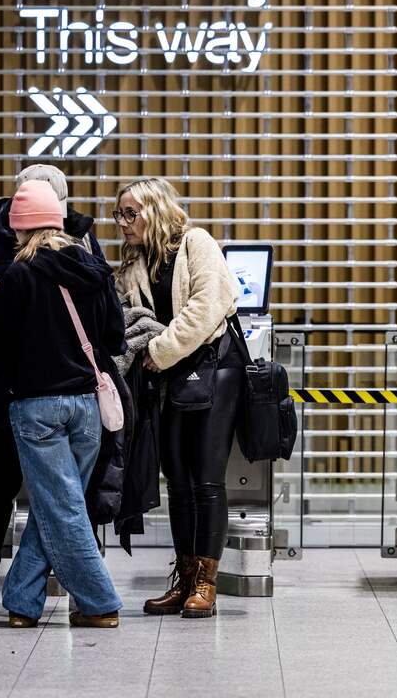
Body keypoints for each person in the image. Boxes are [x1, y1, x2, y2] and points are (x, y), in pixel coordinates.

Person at [0, 163, 104, 615]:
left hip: (43, 390)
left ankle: (62, 585)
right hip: (19, 390)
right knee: (9, 485)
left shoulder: (82, 245)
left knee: (64, 496)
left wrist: (1, 294)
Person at [0, 180, 125, 628]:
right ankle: (22, 602)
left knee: (61, 508)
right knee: (60, 506)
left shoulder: (18, 275)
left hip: (37, 408)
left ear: (19, 228)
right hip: (87, 407)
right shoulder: (95, 270)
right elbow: (115, 338)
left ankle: (100, 603)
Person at [112, 177, 245, 619]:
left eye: (131, 213)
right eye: (119, 214)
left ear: (155, 210)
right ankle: (185, 578)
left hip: (214, 372)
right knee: (179, 483)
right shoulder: (133, 264)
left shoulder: (195, 243)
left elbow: (208, 305)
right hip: (168, 380)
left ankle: (207, 583)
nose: (123, 222)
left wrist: (160, 349)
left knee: (206, 480)